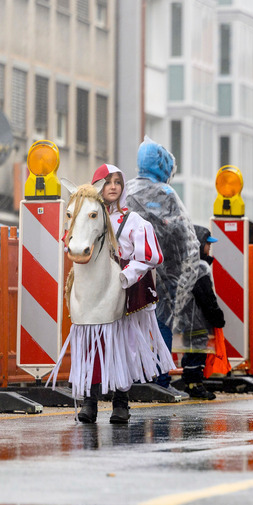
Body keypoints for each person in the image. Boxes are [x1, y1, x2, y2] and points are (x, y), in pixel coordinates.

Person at [74, 164, 175, 423]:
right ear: (97, 186)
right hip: (95, 295)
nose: (113, 187)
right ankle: (90, 402)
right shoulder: (86, 215)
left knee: (124, 345)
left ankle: (121, 403)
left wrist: (126, 276)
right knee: (93, 346)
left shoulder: (134, 221)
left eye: (117, 182)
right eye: (107, 182)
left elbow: (149, 256)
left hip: (126, 290)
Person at [125, 140, 201, 388]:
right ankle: (161, 375)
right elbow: (183, 234)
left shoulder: (127, 190)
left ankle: (133, 376)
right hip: (164, 269)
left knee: (132, 321)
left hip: (132, 268)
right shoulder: (167, 193)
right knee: (161, 322)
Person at [172, 225, 226, 399]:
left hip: (186, 319)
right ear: (198, 244)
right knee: (197, 352)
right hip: (198, 319)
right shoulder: (200, 267)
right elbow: (206, 295)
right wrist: (216, 315)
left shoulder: (186, 264)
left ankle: (190, 383)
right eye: (207, 244)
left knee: (191, 352)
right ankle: (195, 384)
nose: (209, 248)